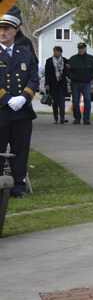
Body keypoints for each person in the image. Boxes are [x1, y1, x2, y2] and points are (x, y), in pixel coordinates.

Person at [0, 14, 39, 198]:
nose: (2, 33)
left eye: (7, 29)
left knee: (20, 151)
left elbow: (34, 79)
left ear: (15, 31)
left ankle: (18, 187)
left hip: (21, 112)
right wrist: (7, 99)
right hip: (1, 111)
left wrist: (23, 98)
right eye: (0, 29)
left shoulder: (25, 54)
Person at [66, 42, 93, 125]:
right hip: (75, 83)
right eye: (79, 48)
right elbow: (68, 70)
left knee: (87, 100)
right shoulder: (73, 59)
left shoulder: (91, 59)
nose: (80, 50)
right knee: (75, 101)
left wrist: (90, 77)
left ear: (85, 49)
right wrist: (72, 77)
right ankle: (77, 118)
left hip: (86, 83)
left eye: (82, 48)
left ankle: (86, 118)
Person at [44, 45, 69, 124]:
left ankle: (62, 117)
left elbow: (67, 72)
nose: (56, 53)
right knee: (54, 101)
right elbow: (47, 73)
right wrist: (47, 83)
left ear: (60, 52)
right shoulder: (49, 61)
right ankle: (56, 118)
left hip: (61, 83)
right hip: (53, 84)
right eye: (54, 51)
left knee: (61, 100)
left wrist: (69, 67)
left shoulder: (64, 61)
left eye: (57, 51)